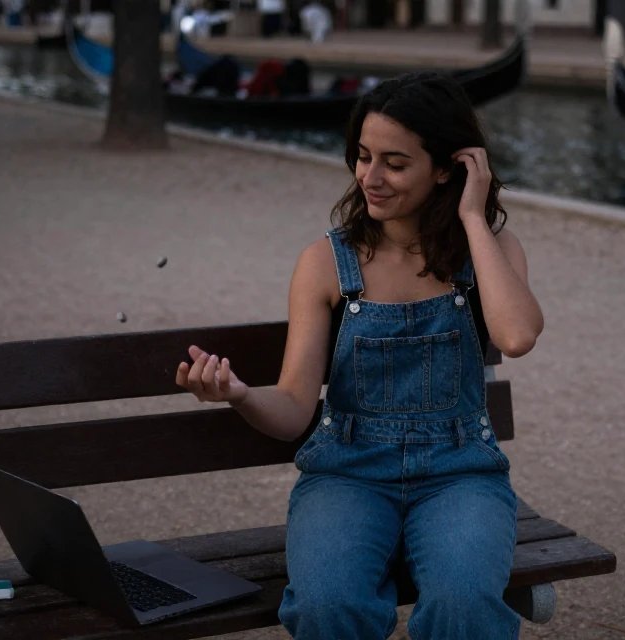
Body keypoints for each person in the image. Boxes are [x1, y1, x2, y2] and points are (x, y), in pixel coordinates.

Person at [175, 71, 544, 639]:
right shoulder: (326, 263)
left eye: (395, 163)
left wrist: (473, 218)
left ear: (447, 169)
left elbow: (517, 336)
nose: (370, 177)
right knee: (327, 607)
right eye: (362, 156)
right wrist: (241, 395)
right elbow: (296, 407)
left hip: (460, 475)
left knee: (465, 604)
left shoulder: (490, 250)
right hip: (346, 475)